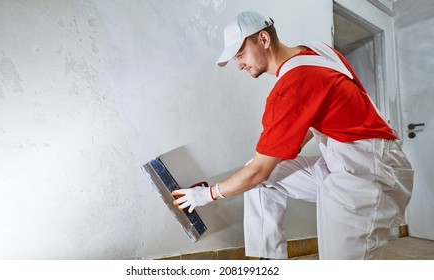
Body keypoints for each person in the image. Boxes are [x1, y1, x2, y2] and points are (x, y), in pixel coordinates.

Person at [172, 11, 414, 260]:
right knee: (267, 178)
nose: (239, 64)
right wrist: (286, 146)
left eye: (241, 54)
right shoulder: (319, 51)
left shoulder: (290, 88)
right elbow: (315, 117)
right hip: (346, 159)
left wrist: (206, 195)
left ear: (264, 39)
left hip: (367, 172)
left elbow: (258, 172)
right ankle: (270, 261)